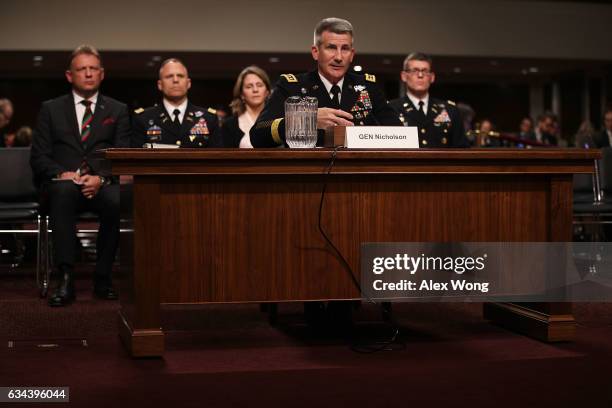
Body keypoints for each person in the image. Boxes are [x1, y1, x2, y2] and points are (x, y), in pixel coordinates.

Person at [30, 44, 130, 307]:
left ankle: (103, 276)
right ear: (69, 75)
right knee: (62, 193)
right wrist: (61, 173)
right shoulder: (50, 109)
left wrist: (101, 178)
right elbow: (38, 156)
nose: (88, 73)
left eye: (93, 68)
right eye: (81, 69)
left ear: (102, 74)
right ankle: (65, 277)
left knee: (116, 200)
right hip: (63, 184)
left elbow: (121, 154)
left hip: (102, 183)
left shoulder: (118, 110)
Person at [250, 17, 401, 147]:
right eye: (331, 48)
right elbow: (258, 135)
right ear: (316, 52)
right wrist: (307, 120)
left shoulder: (368, 86)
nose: (339, 57)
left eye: (345, 49)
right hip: (308, 175)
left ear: (352, 54)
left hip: (359, 175)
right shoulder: (292, 86)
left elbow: (399, 134)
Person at [132, 58, 222, 148]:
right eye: (169, 76)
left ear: (188, 83)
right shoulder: (143, 118)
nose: (175, 80)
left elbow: (217, 158)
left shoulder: (208, 118)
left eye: (180, 76)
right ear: (160, 85)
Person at [389, 52, 468, 147]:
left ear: (432, 77)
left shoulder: (450, 110)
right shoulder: (391, 109)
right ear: (404, 76)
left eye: (425, 71)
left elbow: (461, 149)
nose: (420, 75)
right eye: (415, 70)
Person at [222, 66, 271, 148]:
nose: (255, 90)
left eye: (259, 85)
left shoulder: (279, 120)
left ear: (267, 91)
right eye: (249, 86)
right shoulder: (229, 125)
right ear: (241, 94)